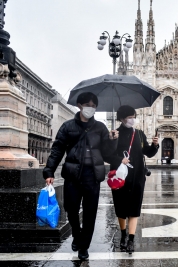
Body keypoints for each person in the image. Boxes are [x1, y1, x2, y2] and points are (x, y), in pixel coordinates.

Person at [43, 92, 118, 260]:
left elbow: (107, 154)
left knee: (90, 213)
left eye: (93, 106)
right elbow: (57, 150)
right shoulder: (68, 126)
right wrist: (49, 171)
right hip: (72, 175)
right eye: (87, 105)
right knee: (71, 209)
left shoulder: (100, 128)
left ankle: (84, 246)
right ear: (79, 105)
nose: (90, 109)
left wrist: (112, 140)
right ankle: (76, 235)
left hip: (92, 175)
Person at [104, 105, 159, 254]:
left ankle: (131, 240)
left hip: (137, 176)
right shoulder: (115, 134)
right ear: (122, 119)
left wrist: (155, 145)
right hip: (120, 177)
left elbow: (148, 153)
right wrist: (118, 159)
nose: (132, 119)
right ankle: (123, 235)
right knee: (121, 208)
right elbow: (107, 155)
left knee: (134, 208)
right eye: (129, 117)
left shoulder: (139, 134)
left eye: (133, 116)